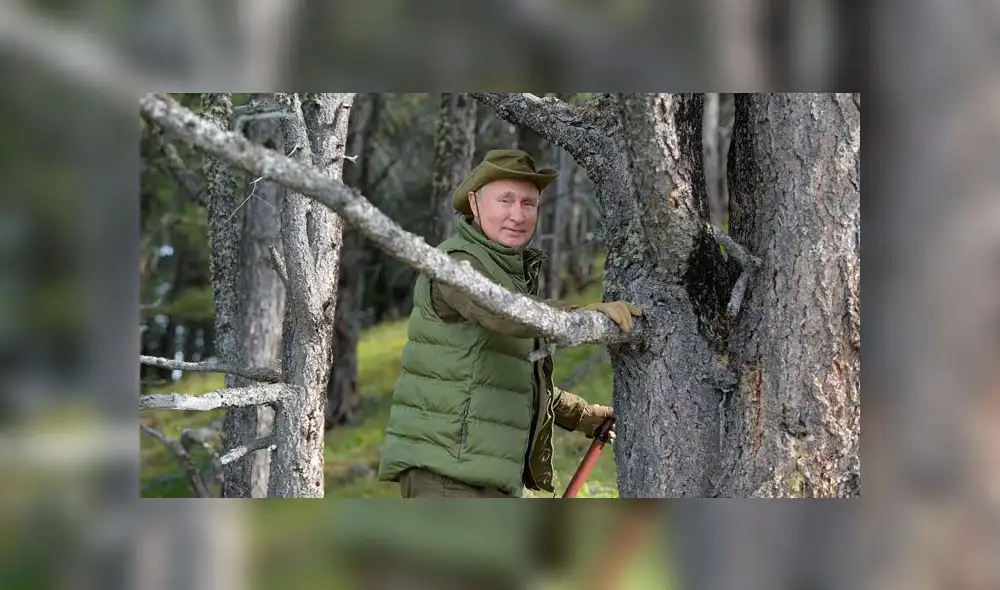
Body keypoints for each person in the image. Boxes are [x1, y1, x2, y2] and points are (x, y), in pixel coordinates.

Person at [376, 149, 643, 498]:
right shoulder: (455, 263)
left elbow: (509, 379)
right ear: (474, 203)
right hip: (447, 475)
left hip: (489, 474)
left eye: (528, 203)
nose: (517, 215)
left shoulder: (509, 273)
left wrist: (582, 415)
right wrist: (578, 313)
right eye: (505, 200)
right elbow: (502, 313)